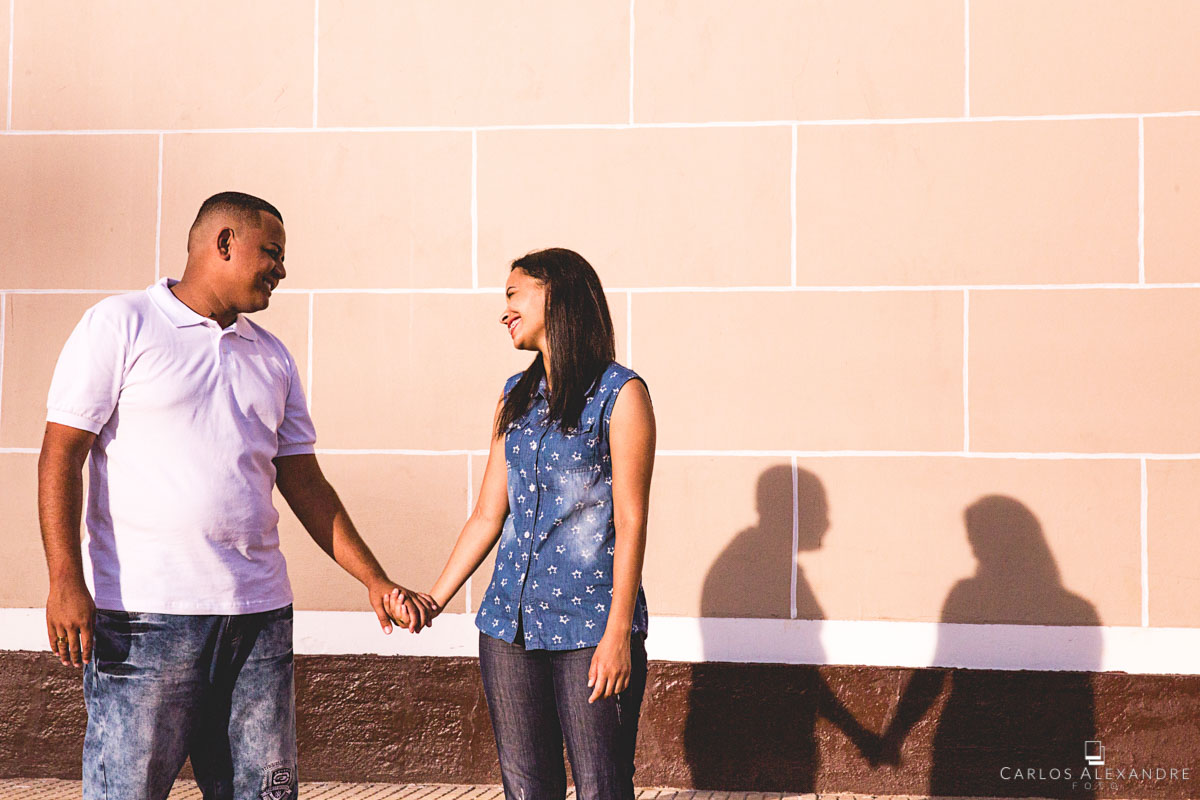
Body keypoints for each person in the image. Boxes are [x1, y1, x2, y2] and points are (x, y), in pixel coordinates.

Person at [38, 191, 436, 800]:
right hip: (144, 622)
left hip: (258, 622)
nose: (282, 268)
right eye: (271, 252)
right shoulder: (122, 324)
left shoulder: (271, 355)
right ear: (224, 242)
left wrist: (374, 580)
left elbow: (305, 482)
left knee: (264, 794)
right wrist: (66, 579)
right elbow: (62, 454)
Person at [402, 248, 655, 800]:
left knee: (602, 788)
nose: (505, 311)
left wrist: (618, 636)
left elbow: (632, 522)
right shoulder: (514, 397)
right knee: (526, 790)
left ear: (555, 297)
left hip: (591, 630)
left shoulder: (621, 395)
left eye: (514, 295)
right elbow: (489, 515)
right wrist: (435, 599)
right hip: (507, 629)